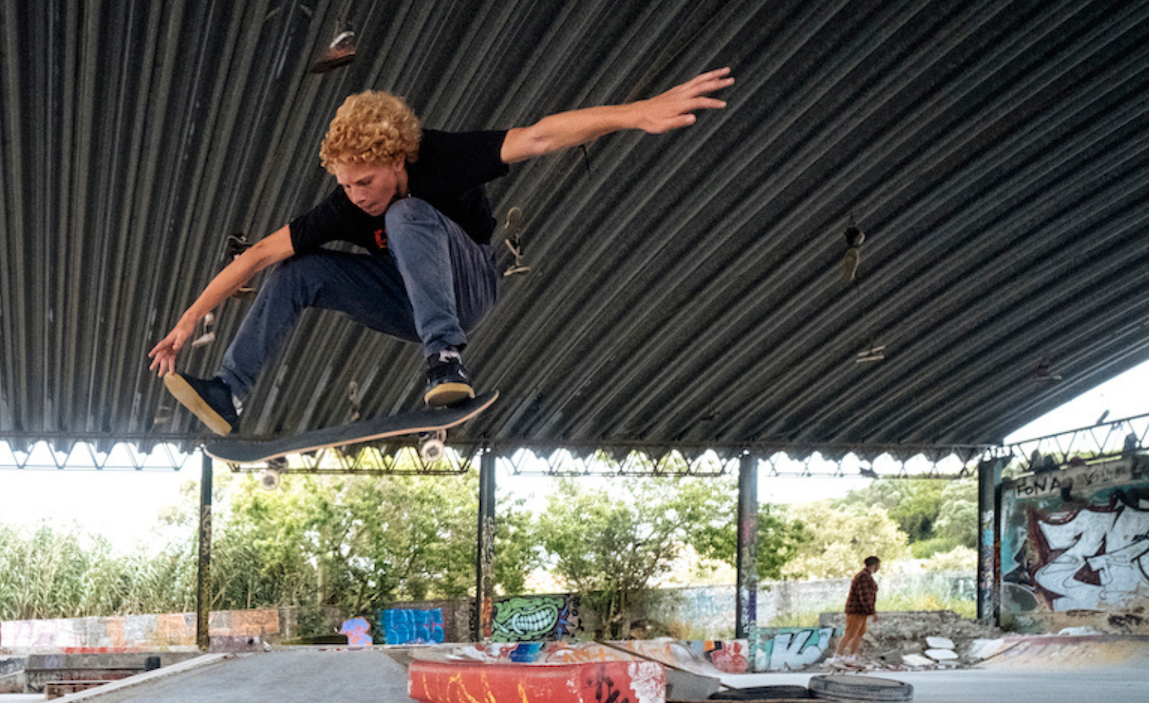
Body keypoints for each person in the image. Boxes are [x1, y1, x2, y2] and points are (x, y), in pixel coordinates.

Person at [150, 67, 736, 434]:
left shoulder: (443, 157)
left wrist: (638, 115)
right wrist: (187, 320)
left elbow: (541, 134)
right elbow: (253, 257)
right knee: (294, 268)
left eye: (367, 181)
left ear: (400, 157)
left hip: (466, 290)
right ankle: (230, 393)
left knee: (408, 215)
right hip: (400, 298)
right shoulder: (345, 204)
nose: (357, 197)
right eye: (347, 185)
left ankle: (445, 360)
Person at [834, 556, 881, 664]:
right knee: (850, 633)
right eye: (878, 565)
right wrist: (873, 612)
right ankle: (837, 655)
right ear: (874, 565)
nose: (879, 567)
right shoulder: (863, 577)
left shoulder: (867, 576)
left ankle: (850, 656)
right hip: (856, 610)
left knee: (859, 633)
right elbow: (864, 596)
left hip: (862, 611)